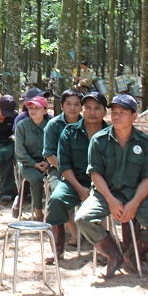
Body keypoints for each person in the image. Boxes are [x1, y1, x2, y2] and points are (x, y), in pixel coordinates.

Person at [75, 94, 148, 278]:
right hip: (105, 194)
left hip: (135, 194)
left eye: (122, 112)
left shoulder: (144, 142)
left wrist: (135, 202)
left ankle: (134, 255)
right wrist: (111, 200)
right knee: (82, 218)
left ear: (134, 116)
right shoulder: (99, 140)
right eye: (114, 112)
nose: (117, 116)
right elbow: (95, 174)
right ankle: (114, 255)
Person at [44, 91, 107, 264]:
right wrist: (79, 188)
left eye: (97, 108)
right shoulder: (68, 131)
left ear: (104, 112)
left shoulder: (111, 134)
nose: (92, 112)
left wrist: (98, 190)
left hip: (102, 184)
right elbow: (64, 165)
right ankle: (57, 247)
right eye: (88, 108)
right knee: (56, 200)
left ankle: (108, 248)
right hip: (73, 181)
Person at [42, 89, 84, 245]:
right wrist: (66, 168)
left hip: (83, 171)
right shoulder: (53, 125)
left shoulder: (88, 124)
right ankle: (72, 233)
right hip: (57, 170)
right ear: (62, 106)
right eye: (68, 104)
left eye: (76, 104)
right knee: (58, 195)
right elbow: (49, 154)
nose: (72, 108)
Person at [13, 96, 50, 220]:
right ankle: (38, 211)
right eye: (30, 108)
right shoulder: (22, 126)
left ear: (45, 110)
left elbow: (57, 148)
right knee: (36, 178)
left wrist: (49, 163)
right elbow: (20, 151)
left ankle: (58, 215)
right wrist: (34, 164)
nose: (33, 110)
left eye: (37, 108)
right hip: (27, 164)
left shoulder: (51, 125)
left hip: (49, 163)